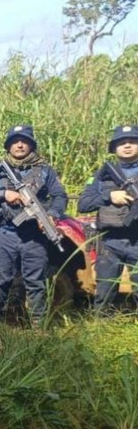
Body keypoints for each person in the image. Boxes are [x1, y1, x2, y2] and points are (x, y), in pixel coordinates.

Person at [0, 126, 68, 326]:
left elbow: (60, 196)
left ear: (31, 144)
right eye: (15, 141)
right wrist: (4, 195)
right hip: (5, 233)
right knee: (1, 281)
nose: (19, 145)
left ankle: (38, 327)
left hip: (34, 236)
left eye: (24, 141)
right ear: (8, 145)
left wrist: (52, 215)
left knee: (36, 283)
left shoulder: (45, 170)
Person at [78, 125, 138, 312]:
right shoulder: (102, 175)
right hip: (110, 242)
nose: (127, 146)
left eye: (132, 142)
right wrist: (110, 197)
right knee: (104, 293)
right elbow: (83, 204)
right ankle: (100, 331)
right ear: (114, 148)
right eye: (121, 143)